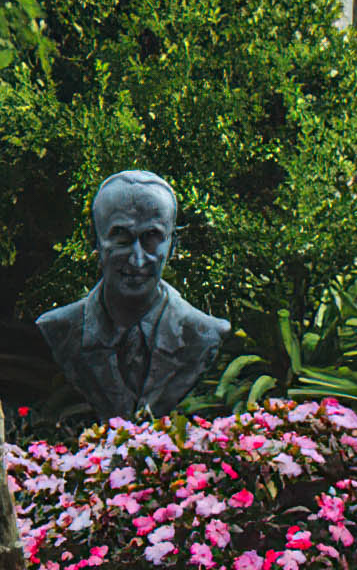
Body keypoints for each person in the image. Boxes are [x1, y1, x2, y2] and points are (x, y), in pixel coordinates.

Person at [35, 169, 229, 418]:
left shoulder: (204, 335)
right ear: (95, 240)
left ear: (173, 245)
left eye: (151, 238)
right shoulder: (58, 330)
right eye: (122, 239)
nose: (137, 259)